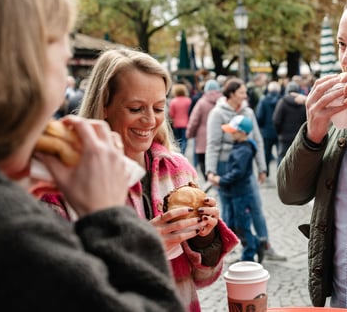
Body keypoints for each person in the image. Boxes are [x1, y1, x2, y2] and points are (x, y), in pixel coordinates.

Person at [0, 0, 185, 312]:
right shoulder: (15, 230)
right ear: (27, 66)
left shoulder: (172, 168)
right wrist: (110, 215)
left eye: (158, 108)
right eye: (63, 55)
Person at [58, 48, 237, 312]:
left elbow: (204, 277)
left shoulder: (179, 170)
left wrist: (205, 237)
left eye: (158, 108)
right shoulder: (65, 184)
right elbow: (57, 288)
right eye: (135, 108)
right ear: (104, 105)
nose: (150, 120)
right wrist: (141, 248)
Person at [277, 0, 347, 310]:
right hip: (340, 301)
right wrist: (313, 133)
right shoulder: (340, 119)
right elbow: (289, 194)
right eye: (342, 44)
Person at [206, 77, 286, 262]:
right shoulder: (217, 114)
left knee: (256, 206)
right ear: (232, 93)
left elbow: (257, 139)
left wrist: (262, 167)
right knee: (228, 211)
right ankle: (232, 248)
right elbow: (213, 144)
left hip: (245, 167)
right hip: (224, 168)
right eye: (241, 92)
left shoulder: (248, 112)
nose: (245, 95)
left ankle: (265, 244)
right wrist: (211, 171)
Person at [208, 115, 259, 261]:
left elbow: (238, 173)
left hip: (241, 194)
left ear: (242, 133)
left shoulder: (244, 150)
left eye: (233, 131)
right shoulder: (239, 145)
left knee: (242, 226)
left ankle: (249, 255)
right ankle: (253, 245)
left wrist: (221, 180)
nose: (230, 133)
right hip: (232, 192)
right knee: (232, 224)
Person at [186, 79, 222, 178]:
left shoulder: (201, 102)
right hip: (220, 136)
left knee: (203, 161)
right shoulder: (223, 101)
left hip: (203, 137)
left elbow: (194, 120)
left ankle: (208, 180)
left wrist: (189, 133)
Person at [272, 81, 307, 164]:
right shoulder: (303, 103)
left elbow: (276, 120)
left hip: (285, 138)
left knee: (282, 160)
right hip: (299, 137)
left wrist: (280, 133)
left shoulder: (282, 102)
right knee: (298, 160)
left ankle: (281, 177)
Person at [255, 81, 281, 177]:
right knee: (280, 154)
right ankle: (280, 173)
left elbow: (259, 116)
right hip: (279, 132)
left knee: (266, 153)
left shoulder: (264, 100)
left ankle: (266, 173)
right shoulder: (281, 100)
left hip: (267, 131)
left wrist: (262, 127)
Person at [168, 83, 192, 154]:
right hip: (186, 123)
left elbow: (171, 114)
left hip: (176, 124)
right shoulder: (188, 100)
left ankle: (179, 152)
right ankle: (182, 153)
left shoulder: (173, 101)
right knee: (184, 140)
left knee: (178, 140)